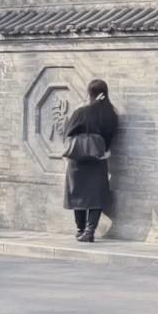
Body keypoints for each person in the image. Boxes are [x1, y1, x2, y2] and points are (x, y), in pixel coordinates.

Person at [62, 79, 119, 242]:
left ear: (90, 93)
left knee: (78, 193)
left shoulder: (81, 112)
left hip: (78, 158)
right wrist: (105, 151)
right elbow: (109, 138)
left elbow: (68, 132)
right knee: (96, 195)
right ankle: (89, 231)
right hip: (98, 158)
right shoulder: (110, 114)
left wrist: (84, 103)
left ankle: (80, 230)